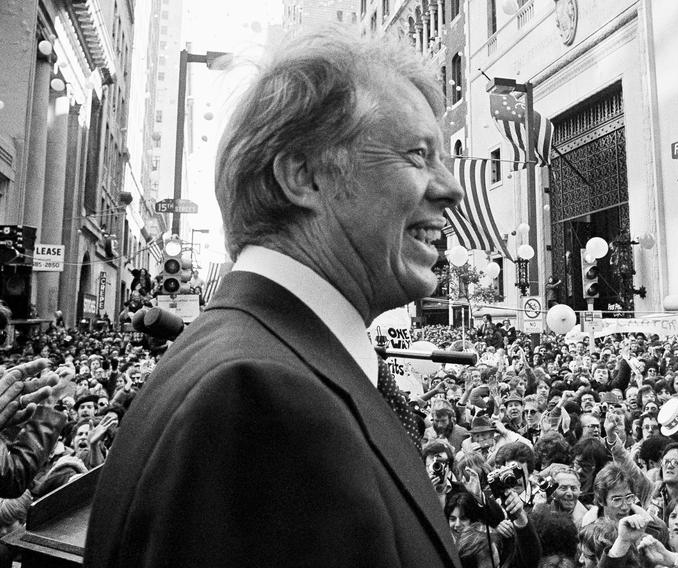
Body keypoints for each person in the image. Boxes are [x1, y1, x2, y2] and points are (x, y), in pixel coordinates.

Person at [85, 29, 464, 567]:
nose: (450, 188)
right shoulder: (263, 402)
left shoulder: (260, 362)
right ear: (303, 175)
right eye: (417, 155)